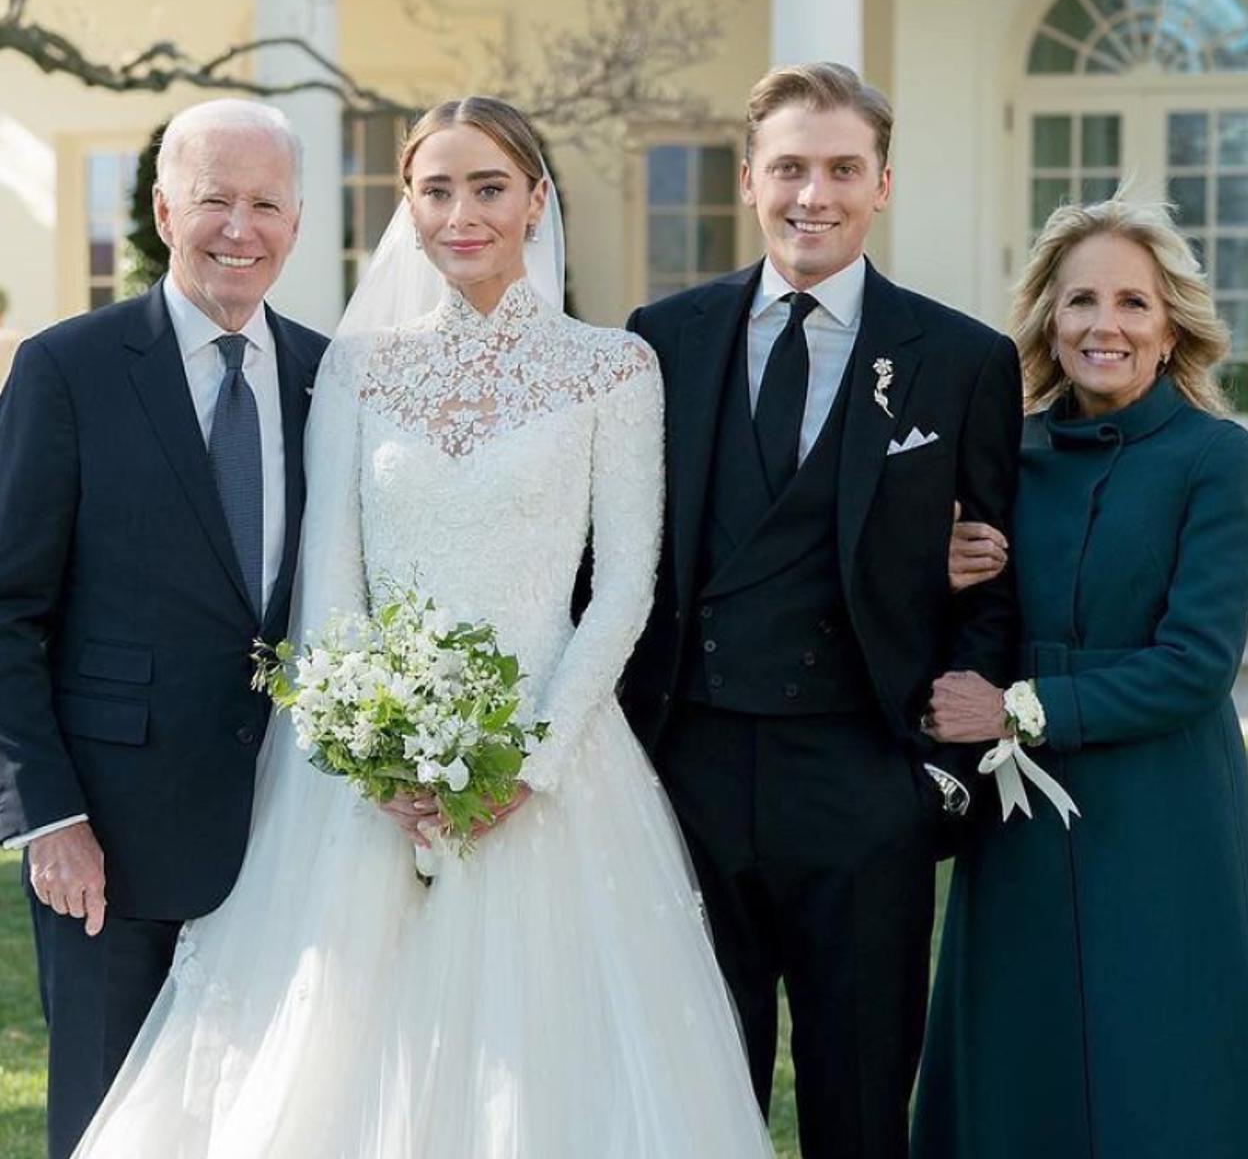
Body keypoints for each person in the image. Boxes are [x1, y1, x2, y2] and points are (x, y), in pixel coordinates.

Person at [67, 96, 776, 1158]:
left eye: (488, 186)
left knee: (547, 1073)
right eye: (435, 189)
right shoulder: (357, 370)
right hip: (369, 789)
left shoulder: (614, 368)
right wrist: (377, 756)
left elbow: (625, 587)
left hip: (554, 771)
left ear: (536, 199)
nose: (461, 213)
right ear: (408, 204)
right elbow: (331, 583)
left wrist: (524, 765)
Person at [620, 62, 1022, 1159]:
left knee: (857, 1103)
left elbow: (1000, 587)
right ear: (749, 178)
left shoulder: (965, 359)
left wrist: (932, 777)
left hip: (862, 779)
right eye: (790, 167)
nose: (815, 194)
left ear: (882, 184)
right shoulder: (662, 339)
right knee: (699, 1093)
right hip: (685, 774)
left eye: (843, 169)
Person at [0, 99, 326, 1159]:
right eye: (215, 200)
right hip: (110, 848)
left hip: (292, 840)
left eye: (266, 203)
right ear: (162, 208)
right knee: (108, 1127)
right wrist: (49, 819)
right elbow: (8, 611)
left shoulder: (336, 379)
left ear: (298, 220)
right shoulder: (68, 369)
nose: (241, 228)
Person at [913, 198, 1248, 1159]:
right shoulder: (1002, 455)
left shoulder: (1217, 460)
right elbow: (971, 622)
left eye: (1134, 303)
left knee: (1161, 1056)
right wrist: (943, 573)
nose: (1107, 325)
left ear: (1171, 323)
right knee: (1022, 1049)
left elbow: (1196, 664)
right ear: (1048, 322)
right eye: (1081, 301)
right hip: (1022, 822)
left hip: (1162, 810)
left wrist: (1020, 707)